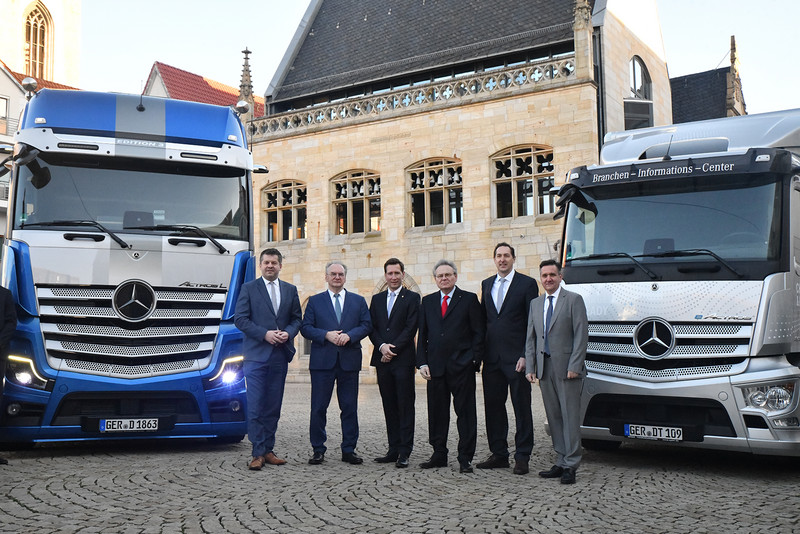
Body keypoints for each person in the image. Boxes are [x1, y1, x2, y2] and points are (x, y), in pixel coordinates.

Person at [234, 248, 302, 470]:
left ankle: (269, 449)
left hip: (279, 356)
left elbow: (296, 319)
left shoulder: (290, 290)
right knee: (255, 405)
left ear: (280, 265)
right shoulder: (249, 288)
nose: (270, 266)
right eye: (266, 262)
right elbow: (240, 320)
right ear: (261, 266)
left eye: (274, 262)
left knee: (273, 406)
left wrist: (288, 333)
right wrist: (265, 334)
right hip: (255, 356)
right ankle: (257, 452)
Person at [416, 259, 484, 473]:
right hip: (435, 368)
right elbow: (423, 335)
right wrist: (422, 362)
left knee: (465, 413)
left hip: (461, 367)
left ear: (455, 276)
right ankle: (439, 454)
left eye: (447, 275)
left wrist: (473, 360)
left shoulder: (469, 300)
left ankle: (465, 457)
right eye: (440, 276)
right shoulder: (427, 302)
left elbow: (479, 333)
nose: (444, 278)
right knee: (437, 413)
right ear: (435, 279)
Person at [301, 261, 372, 465]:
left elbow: (366, 325)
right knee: (318, 408)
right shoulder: (315, 301)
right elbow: (306, 328)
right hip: (322, 362)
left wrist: (349, 336)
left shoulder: (358, 301)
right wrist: (326, 335)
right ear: (326, 277)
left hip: (349, 361)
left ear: (345, 277)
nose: (337, 277)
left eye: (340, 274)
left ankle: (349, 449)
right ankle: (318, 449)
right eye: (333, 274)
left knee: (349, 407)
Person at [476, 243, 538, 475]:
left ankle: (522, 455)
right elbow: (485, 321)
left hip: (517, 359)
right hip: (492, 359)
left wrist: (526, 354)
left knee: (522, 407)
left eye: (506, 256)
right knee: (493, 408)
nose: (502, 260)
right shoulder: (487, 284)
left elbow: (532, 323)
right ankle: (499, 454)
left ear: (513, 258)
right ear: (494, 260)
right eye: (499, 256)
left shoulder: (527, 284)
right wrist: (479, 355)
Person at [525, 259, 588, 484]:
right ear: (540, 279)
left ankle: (571, 464)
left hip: (567, 369)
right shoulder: (536, 303)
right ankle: (561, 460)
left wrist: (575, 365)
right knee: (554, 417)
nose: (548, 279)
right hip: (545, 368)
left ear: (560, 277)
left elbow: (581, 335)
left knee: (570, 417)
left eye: (552, 274)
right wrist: (530, 367)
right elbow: (531, 338)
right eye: (544, 276)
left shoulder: (573, 300)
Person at [368, 258, 420, 468]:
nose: (393, 277)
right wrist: (382, 347)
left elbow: (411, 328)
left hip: (403, 360)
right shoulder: (377, 299)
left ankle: (405, 451)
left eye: (397, 273)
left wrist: (392, 349)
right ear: (385, 275)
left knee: (405, 405)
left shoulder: (412, 298)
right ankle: (393, 448)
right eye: (390, 274)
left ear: (403, 274)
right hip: (382, 360)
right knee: (389, 405)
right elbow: (372, 327)